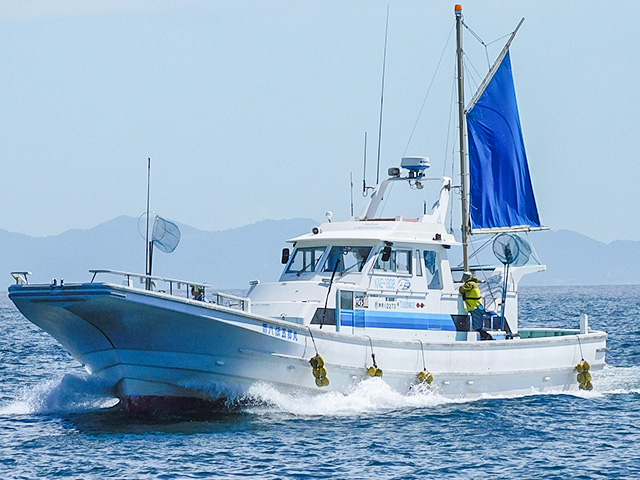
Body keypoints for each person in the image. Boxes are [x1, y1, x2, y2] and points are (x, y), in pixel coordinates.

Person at [458, 272, 492, 340]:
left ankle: (486, 337)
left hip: (474, 306)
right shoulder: (474, 284)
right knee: (478, 324)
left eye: (464, 278)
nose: (463, 279)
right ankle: (484, 337)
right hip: (477, 306)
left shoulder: (470, 284)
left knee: (477, 326)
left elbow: (462, 289)